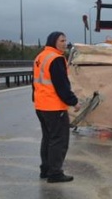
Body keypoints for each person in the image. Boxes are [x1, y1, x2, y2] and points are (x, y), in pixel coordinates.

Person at [32, 31, 82, 183]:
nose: (65, 43)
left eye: (66, 40)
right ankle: (55, 173)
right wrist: (73, 101)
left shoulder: (41, 56)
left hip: (41, 106)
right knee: (59, 140)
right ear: (53, 41)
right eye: (61, 40)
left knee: (48, 138)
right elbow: (62, 85)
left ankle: (45, 170)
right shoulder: (56, 59)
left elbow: (34, 82)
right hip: (54, 107)